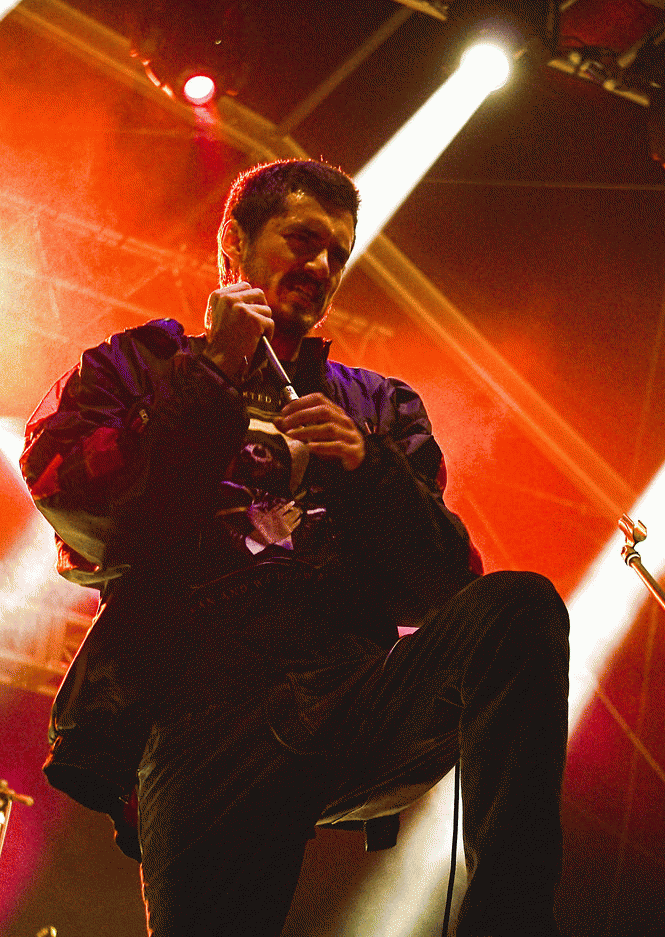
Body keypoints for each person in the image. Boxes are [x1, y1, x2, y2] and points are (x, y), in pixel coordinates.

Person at [21, 159, 569, 937]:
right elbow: (86, 511)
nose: (321, 266)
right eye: (303, 240)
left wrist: (366, 466)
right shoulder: (135, 367)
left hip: (344, 691)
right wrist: (209, 372)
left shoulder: (376, 405)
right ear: (234, 245)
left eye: (337, 254)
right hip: (199, 711)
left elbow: (444, 584)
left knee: (516, 609)